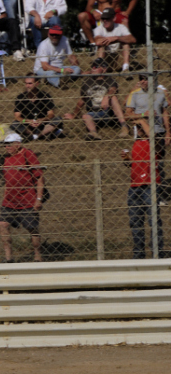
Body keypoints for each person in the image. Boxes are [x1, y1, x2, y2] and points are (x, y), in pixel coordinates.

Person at [0, 133, 44, 262]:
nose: (6, 147)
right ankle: (8, 258)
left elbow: (39, 177)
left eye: (9, 144)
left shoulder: (27, 155)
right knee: (3, 224)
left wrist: (39, 199)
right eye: (5, 145)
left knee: (31, 227)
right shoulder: (7, 158)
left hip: (27, 199)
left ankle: (37, 256)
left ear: (18, 144)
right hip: (9, 200)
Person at [122, 120, 164, 259]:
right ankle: (138, 254)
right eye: (137, 127)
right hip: (134, 187)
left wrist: (141, 120)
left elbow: (154, 138)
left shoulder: (154, 143)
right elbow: (132, 164)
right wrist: (127, 159)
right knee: (135, 222)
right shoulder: (137, 143)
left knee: (153, 221)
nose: (138, 129)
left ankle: (157, 253)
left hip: (149, 185)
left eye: (140, 127)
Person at [64, 58, 128, 139]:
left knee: (113, 97)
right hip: (94, 114)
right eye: (92, 66)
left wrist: (107, 96)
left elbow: (113, 89)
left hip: (109, 113)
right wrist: (74, 115)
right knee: (85, 116)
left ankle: (124, 126)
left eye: (96, 66)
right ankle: (94, 133)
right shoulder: (87, 82)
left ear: (104, 69)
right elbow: (81, 101)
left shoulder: (109, 79)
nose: (93, 68)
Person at [124, 74, 169, 151]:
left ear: (152, 80)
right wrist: (143, 115)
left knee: (159, 161)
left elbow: (164, 112)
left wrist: (168, 132)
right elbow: (127, 115)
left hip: (159, 131)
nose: (142, 81)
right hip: (142, 134)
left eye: (145, 79)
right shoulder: (135, 94)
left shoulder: (161, 93)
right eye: (141, 79)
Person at [93, 7, 134, 72]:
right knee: (101, 46)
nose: (105, 20)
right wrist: (110, 40)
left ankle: (125, 69)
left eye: (107, 18)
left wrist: (117, 38)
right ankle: (100, 69)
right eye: (103, 18)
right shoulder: (98, 29)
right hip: (105, 58)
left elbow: (132, 39)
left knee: (126, 43)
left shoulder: (121, 27)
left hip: (118, 58)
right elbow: (98, 42)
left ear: (114, 18)